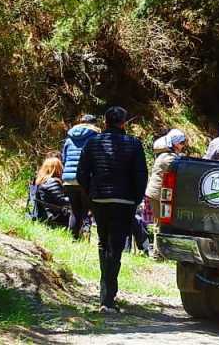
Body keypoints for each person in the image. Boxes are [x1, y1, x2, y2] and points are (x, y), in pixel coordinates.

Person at [77, 106, 147, 313]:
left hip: (100, 199)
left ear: (104, 122)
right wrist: (134, 199)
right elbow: (141, 175)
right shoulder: (134, 144)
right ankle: (108, 298)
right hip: (124, 201)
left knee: (102, 243)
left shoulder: (92, 142)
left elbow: (81, 173)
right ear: (124, 123)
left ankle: (105, 295)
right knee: (116, 247)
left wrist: (91, 194)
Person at [61, 114, 100, 240]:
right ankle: (85, 238)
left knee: (74, 211)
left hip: (69, 180)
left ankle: (73, 238)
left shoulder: (69, 139)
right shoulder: (95, 137)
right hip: (85, 179)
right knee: (87, 210)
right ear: (93, 124)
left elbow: (64, 158)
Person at [34, 157, 71, 226]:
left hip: (45, 215)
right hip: (55, 216)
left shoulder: (40, 181)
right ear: (57, 168)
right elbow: (62, 201)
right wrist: (75, 199)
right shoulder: (52, 182)